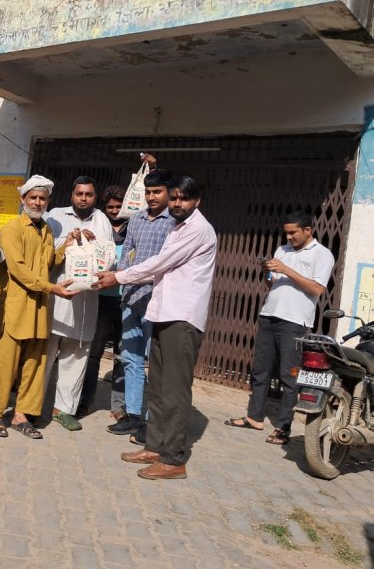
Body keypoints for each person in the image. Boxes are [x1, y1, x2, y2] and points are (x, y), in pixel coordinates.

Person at [94, 176, 217, 480]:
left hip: (182, 318)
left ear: (197, 201)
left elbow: (160, 263)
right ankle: (155, 446)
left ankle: (174, 459)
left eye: (183, 199)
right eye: (174, 198)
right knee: (159, 386)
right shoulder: (178, 226)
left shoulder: (199, 230)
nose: (177, 203)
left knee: (174, 390)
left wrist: (118, 278)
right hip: (163, 312)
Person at [225, 211, 334, 445]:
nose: (289, 237)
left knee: (289, 375)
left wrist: (287, 270)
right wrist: (268, 271)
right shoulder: (282, 250)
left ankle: (283, 428)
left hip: (295, 321)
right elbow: (271, 282)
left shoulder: (322, 255)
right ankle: (254, 417)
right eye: (286, 232)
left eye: (293, 232)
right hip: (269, 315)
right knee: (260, 370)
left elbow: (316, 289)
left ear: (308, 230)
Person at [0, 175, 77, 440]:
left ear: (48, 201)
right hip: (16, 306)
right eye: (33, 197)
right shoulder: (12, 228)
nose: (38, 202)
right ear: (23, 199)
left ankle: (22, 415)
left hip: (39, 310)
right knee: (6, 364)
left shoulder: (47, 230)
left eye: (42, 198)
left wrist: (65, 247)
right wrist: (53, 288)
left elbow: (47, 264)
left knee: (35, 365)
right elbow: (20, 270)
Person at [108, 166, 172, 443]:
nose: (151, 197)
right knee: (131, 359)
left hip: (158, 301)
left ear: (169, 193)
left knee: (154, 363)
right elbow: (127, 256)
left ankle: (151, 420)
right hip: (131, 297)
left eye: (157, 192)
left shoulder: (175, 223)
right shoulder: (135, 219)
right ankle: (133, 414)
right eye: (148, 192)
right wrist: (122, 284)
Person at [43, 176, 113, 431]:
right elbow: (45, 254)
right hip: (56, 296)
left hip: (86, 301)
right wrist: (67, 243)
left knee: (77, 355)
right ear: (71, 194)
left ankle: (63, 409)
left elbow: (108, 261)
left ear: (96, 197)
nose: (84, 198)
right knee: (45, 353)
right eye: (80, 194)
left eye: (89, 194)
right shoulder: (55, 216)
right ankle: (33, 405)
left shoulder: (102, 220)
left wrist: (94, 245)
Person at [79, 185, 127, 420]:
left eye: (119, 207)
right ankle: (85, 402)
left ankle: (119, 407)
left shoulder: (134, 229)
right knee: (94, 353)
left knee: (123, 355)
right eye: (111, 207)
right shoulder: (99, 227)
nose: (115, 211)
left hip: (126, 300)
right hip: (101, 299)